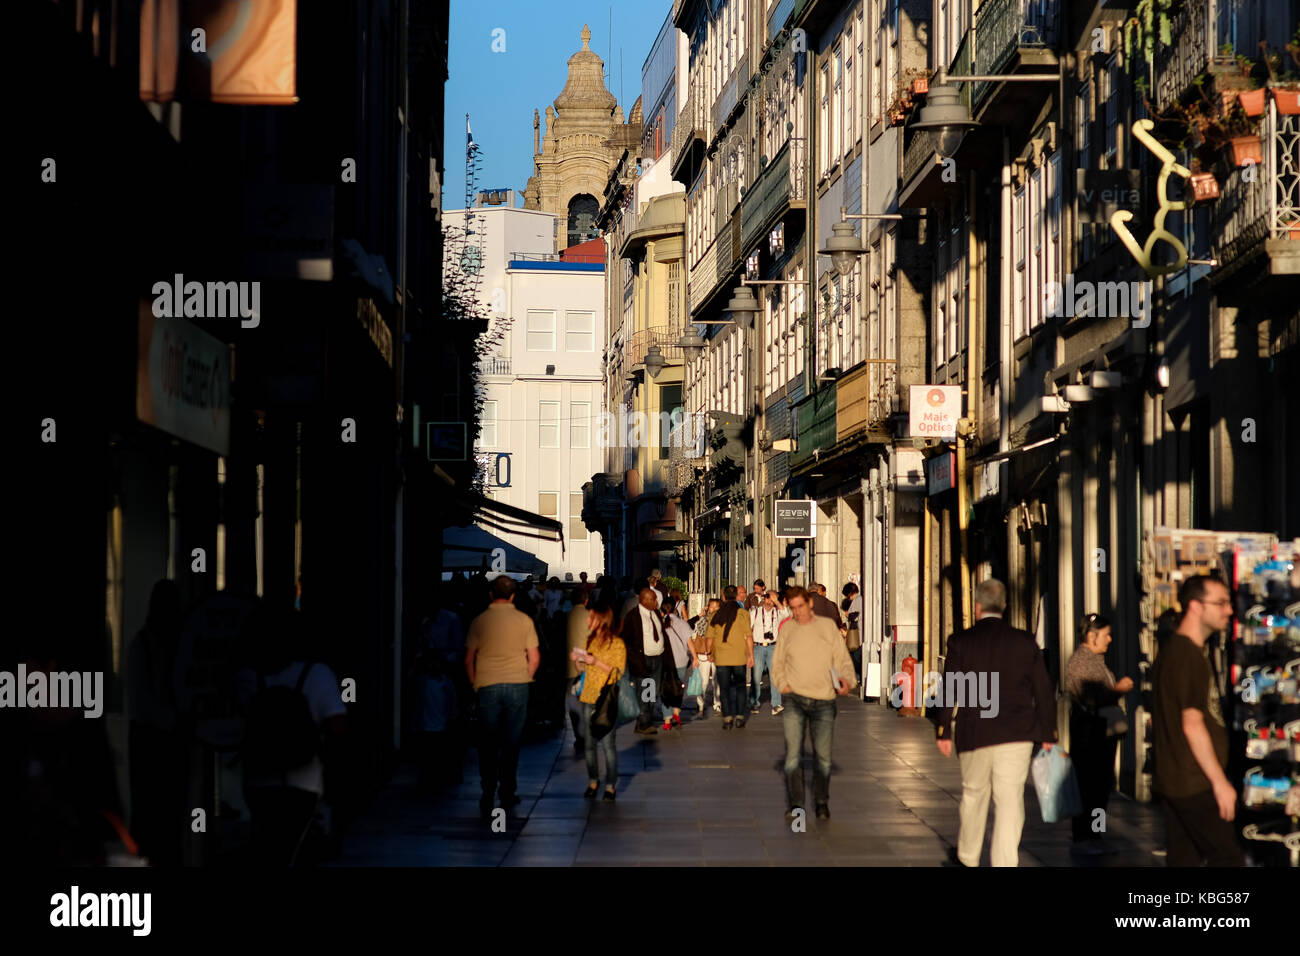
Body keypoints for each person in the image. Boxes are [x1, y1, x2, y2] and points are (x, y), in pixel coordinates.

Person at [935, 579, 1057, 868]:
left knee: (974, 794)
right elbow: (1043, 689)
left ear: (977, 607)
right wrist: (1049, 731)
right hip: (1016, 734)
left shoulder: (961, 642)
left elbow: (950, 688)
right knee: (1010, 800)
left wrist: (943, 729)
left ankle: (967, 858)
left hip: (974, 731)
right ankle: (1005, 862)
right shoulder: (1025, 642)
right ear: (1004, 606)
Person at [236, 604, 347, 867]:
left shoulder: (247, 676)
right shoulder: (317, 674)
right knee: (296, 850)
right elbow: (338, 727)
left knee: (265, 846)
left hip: (257, 781)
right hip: (304, 784)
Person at [1151, 575, 1244, 867]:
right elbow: (1192, 723)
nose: (1229, 610)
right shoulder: (1186, 656)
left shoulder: (1177, 652)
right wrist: (1219, 782)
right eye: (1220, 603)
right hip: (1194, 782)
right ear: (1195, 606)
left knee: (1184, 859)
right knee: (1228, 858)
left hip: (1176, 778)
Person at [771, 587, 856, 820]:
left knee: (823, 757)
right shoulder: (788, 628)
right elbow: (777, 662)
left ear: (809, 603)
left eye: (800, 606)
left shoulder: (827, 627)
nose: (797, 612)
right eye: (792, 608)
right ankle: (797, 805)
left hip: (824, 700)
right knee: (793, 757)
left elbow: (841, 658)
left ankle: (821, 801)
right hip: (795, 699)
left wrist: (847, 680)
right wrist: (782, 684)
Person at [465, 575, 541, 819]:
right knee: (512, 742)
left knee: (487, 741)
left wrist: (475, 683)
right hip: (518, 683)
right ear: (513, 595)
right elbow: (535, 657)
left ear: (490, 594)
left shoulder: (479, 621)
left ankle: (488, 791)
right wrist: (525, 676)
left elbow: (468, 659)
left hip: (487, 684)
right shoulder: (524, 620)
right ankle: (507, 790)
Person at [126, 579, 188, 867]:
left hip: (150, 737)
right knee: (164, 814)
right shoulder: (160, 645)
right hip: (160, 738)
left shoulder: (145, 645)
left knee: (151, 813)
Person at [1064, 613, 1133, 854]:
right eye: (1105, 635)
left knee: (1101, 787)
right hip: (1090, 734)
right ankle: (1085, 837)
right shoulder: (1082, 662)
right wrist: (1118, 690)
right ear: (1091, 636)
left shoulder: (1096, 660)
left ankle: (1096, 834)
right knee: (1090, 786)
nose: (1110, 639)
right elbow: (1091, 698)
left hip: (1101, 733)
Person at [571, 603, 627, 802]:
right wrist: (579, 661)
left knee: (608, 746)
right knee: (589, 744)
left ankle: (610, 785)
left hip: (606, 700)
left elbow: (617, 672)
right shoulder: (591, 640)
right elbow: (585, 671)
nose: (588, 621)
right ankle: (593, 781)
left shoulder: (618, 644)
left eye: (591, 617)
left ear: (600, 620)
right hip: (587, 697)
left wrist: (595, 662)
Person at [623, 588, 670, 735]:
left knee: (652, 691)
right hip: (642, 660)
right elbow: (627, 640)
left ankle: (644, 718)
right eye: (654, 599)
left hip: (657, 658)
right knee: (644, 691)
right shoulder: (633, 616)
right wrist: (635, 659)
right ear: (645, 600)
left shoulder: (655, 613)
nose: (657, 602)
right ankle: (644, 722)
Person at [706, 586, 753, 729]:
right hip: (739, 656)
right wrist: (750, 655)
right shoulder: (743, 614)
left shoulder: (715, 615)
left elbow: (709, 638)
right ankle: (739, 716)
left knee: (724, 688)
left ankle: (727, 718)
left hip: (722, 657)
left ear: (724, 598)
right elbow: (749, 637)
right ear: (736, 596)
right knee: (740, 687)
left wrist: (709, 653)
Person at [661, 598, 699, 729]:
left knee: (665, 690)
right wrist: (695, 658)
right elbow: (690, 643)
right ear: (674, 609)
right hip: (681, 661)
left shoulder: (660, 623)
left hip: (665, 662)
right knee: (678, 688)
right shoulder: (683, 624)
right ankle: (676, 713)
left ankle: (667, 720)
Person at [566, 589, 592, 756]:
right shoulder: (589, 616)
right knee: (586, 703)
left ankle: (578, 734)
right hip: (585, 667)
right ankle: (586, 734)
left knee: (573, 704)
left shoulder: (565, 616)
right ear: (586, 600)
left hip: (568, 667)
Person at [749, 589, 784, 715]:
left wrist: (777, 601)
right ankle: (754, 703)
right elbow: (748, 629)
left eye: (773, 599)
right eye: (769, 598)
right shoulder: (756, 612)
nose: (770, 601)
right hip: (758, 646)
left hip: (773, 646)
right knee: (756, 676)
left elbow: (787, 615)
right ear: (764, 598)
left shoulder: (777, 612)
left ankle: (776, 704)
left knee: (775, 676)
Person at [692, 598, 722, 715]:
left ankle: (717, 703)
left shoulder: (723, 621)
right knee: (704, 681)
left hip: (718, 654)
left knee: (717, 681)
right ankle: (700, 702)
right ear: (707, 608)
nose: (713, 609)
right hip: (703, 654)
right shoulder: (702, 621)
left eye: (716, 607)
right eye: (711, 607)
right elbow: (697, 633)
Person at [841, 582, 864, 679]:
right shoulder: (858, 599)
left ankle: (857, 677)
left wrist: (848, 615)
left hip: (857, 634)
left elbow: (856, 615)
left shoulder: (858, 599)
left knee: (855, 656)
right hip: (858, 633)